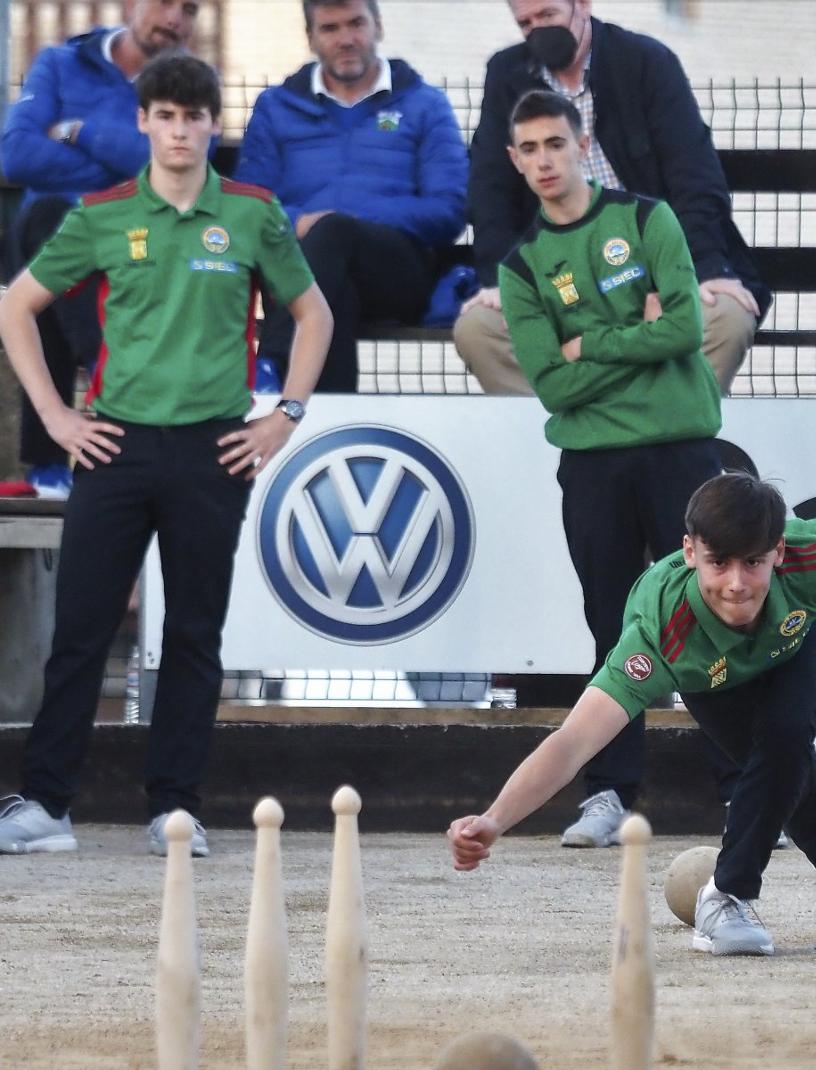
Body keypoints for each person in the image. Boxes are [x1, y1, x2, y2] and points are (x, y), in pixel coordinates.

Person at [448, 472, 816, 956]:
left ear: (778, 553)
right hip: (715, 680)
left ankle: (726, 898)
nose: (737, 583)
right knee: (783, 777)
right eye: (719, 563)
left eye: (754, 563)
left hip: (808, 630)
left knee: (787, 732)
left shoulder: (812, 555)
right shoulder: (659, 633)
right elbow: (574, 742)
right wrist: (495, 820)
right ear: (689, 552)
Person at [0, 54, 333, 858]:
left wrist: (283, 415)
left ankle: (175, 808)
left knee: (192, 632)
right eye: (165, 115)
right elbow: (16, 306)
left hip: (212, 449)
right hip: (113, 446)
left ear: (213, 126)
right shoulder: (104, 213)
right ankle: (47, 805)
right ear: (143, 121)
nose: (180, 131)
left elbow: (313, 312)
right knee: (80, 631)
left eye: (194, 117)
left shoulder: (252, 213)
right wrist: (56, 416)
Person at [497, 90, 725, 849]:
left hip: (680, 449)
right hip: (593, 463)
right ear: (514, 160)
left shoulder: (644, 218)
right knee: (615, 622)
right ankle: (608, 794)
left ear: (581, 142)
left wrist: (589, 344)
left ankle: (746, 784)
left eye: (553, 144)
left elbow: (688, 326)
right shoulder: (524, 266)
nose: (543, 161)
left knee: (711, 615)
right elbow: (550, 386)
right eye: (527, 149)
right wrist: (638, 332)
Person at [454, 0, 770, 396]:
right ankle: (560, 442)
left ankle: (664, 437)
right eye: (526, 24)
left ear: (582, 5)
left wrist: (704, 269)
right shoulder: (507, 74)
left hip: (651, 269)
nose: (538, 31)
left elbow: (694, 177)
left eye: (548, 16)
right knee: (479, 328)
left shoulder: (644, 62)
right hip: (560, 281)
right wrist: (498, 279)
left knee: (725, 317)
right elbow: (490, 188)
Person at [0, 0, 202, 498]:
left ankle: (49, 464)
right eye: (165, 3)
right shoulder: (59, 64)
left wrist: (77, 132)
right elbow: (17, 154)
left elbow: (175, 168)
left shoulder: (191, 80)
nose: (175, 17)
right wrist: (122, 169)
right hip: (64, 236)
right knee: (49, 225)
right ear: (131, 5)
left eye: (190, 8)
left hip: (143, 239)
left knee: (46, 272)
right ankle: (120, 390)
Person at [234, 0, 467, 392]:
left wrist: (343, 220)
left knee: (333, 233)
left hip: (395, 272)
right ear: (310, 38)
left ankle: (272, 362)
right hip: (305, 271)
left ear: (378, 26)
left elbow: (449, 209)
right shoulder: (276, 108)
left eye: (356, 23)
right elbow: (248, 205)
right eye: (330, 28)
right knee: (332, 282)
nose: (346, 39)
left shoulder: (424, 104)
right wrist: (299, 223)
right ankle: (330, 416)